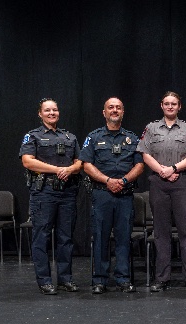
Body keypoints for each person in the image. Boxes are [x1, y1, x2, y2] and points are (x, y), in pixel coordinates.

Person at [136, 91, 186, 292]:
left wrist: (173, 169)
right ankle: (161, 278)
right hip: (158, 183)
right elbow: (145, 153)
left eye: (174, 104)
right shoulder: (151, 128)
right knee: (161, 233)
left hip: (182, 182)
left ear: (179, 106)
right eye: (167, 103)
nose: (170, 106)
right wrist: (162, 171)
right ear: (161, 106)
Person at [80, 97, 144, 294]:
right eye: (111, 107)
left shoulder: (133, 138)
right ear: (104, 112)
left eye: (118, 108)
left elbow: (140, 165)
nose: (114, 110)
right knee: (100, 237)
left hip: (125, 195)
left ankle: (123, 279)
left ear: (123, 112)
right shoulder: (93, 137)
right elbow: (86, 164)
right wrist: (108, 181)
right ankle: (99, 280)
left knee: (124, 238)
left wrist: (123, 181)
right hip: (102, 194)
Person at [19, 98, 82, 295]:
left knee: (66, 238)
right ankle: (44, 280)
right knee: (41, 237)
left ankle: (65, 279)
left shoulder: (69, 137)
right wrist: (57, 170)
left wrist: (70, 169)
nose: (52, 113)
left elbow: (80, 162)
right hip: (43, 193)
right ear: (40, 113)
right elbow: (28, 162)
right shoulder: (32, 136)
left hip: (67, 192)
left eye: (54, 110)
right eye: (47, 110)